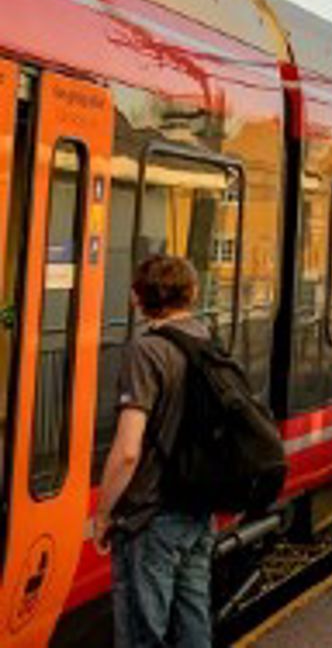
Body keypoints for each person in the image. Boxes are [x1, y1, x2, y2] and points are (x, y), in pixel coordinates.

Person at [92, 254, 214, 648]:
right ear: (192, 293)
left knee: (144, 631)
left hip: (150, 517)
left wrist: (105, 513)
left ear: (136, 298)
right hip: (197, 508)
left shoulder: (146, 351)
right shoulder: (206, 340)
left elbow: (128, 450)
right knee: (193, 619)